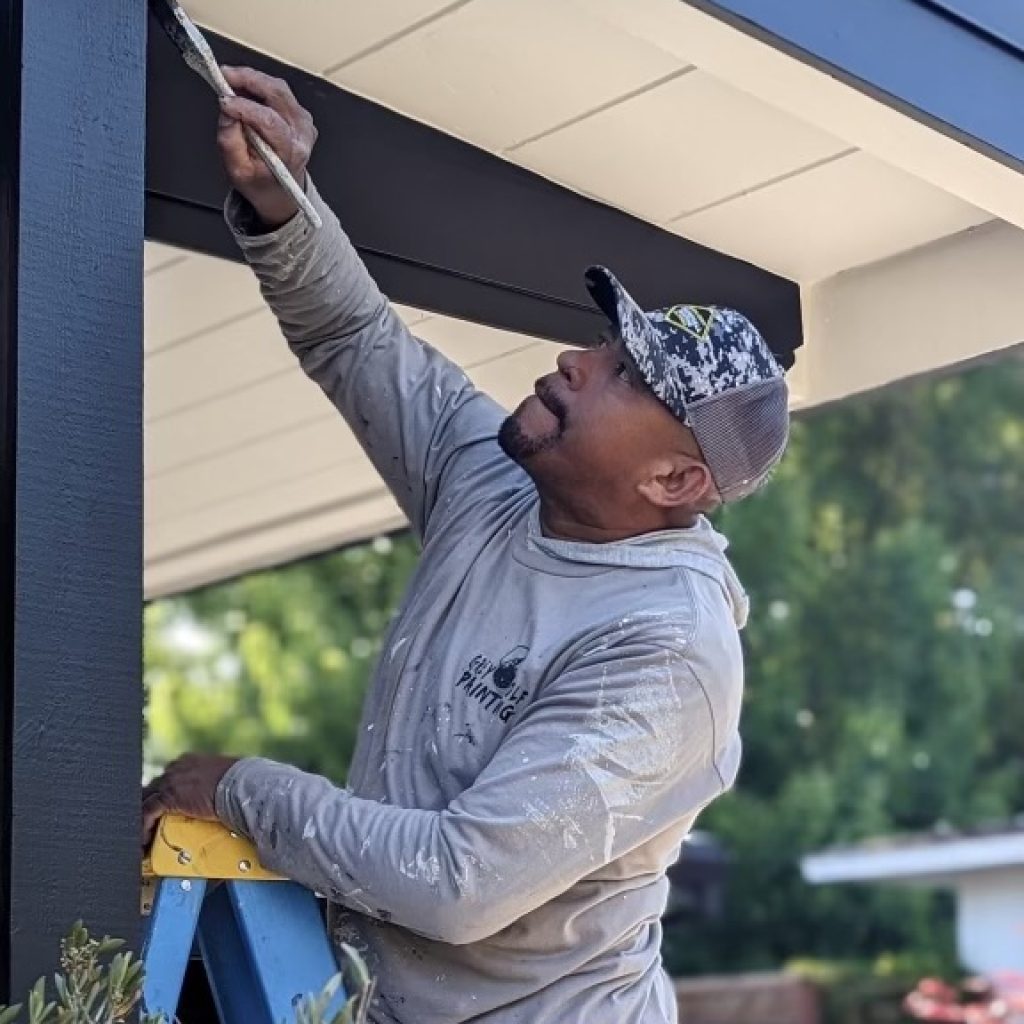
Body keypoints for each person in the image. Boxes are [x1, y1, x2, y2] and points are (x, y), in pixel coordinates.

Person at [142, 66, 790, 1024]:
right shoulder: (493, 489)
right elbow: (356, 337)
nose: (577, 359)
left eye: (622, 377)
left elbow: (457, 882)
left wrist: (240, 789)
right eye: (602, 345)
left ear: (674, 482)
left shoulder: (664, 653)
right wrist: (286, 199)